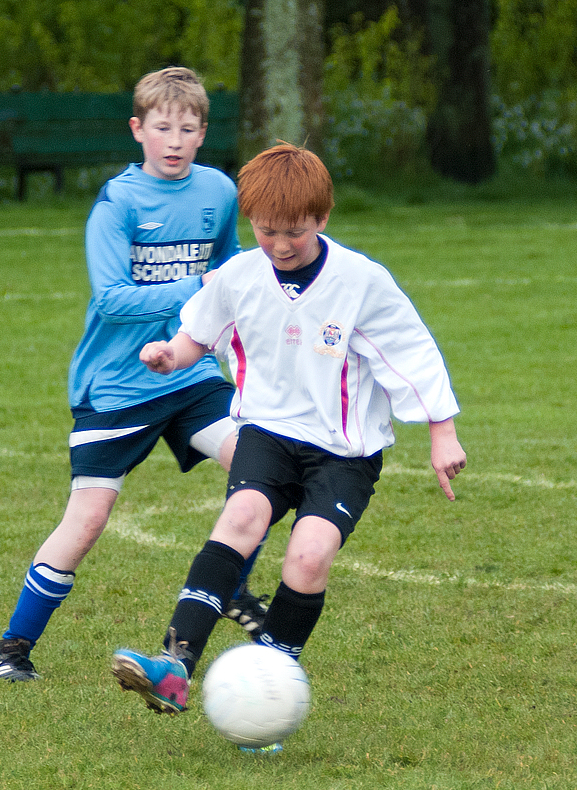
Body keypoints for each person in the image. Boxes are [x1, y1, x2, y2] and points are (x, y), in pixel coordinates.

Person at [111, 143, 467, 737]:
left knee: (309, 555)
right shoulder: (237, 278)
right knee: (242, 516)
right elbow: (197, 334)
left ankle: (269, 686)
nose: (280, 244)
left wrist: (442, 432)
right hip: (267, 432)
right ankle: (174, 666)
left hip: (344, 450)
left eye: (295, 233)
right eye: (268, 230)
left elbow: (412, 354)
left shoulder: (362, 282)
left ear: (322, 219)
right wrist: (169, 356)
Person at [0, 67, 267, 683]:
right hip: (115, 385)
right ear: (138, 129)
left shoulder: (218, 191)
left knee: (261, 466)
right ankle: (10, 649)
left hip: (189, 376)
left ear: (202, 134)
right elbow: (113, 299)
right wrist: (199, 285)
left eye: (187, 129)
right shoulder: (118, 203)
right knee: (86, 520)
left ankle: (234, 589)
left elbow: (226, 267)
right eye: (162, 127)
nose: (174, 139)